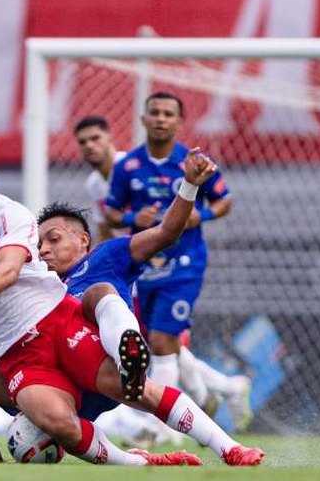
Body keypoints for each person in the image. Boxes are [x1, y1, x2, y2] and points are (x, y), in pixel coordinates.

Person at [0, 139, 263, 466]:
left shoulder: (19, 219)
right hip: (19, 354)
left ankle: (223, 443)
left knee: (102, 305)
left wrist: (188, 187)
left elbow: (10, 268)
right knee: (31, 405)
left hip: (63, 330)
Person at [104, 92, 251, 438]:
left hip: (185, 264)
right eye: (154, 112)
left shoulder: (194, 162)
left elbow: (225, 200)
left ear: (179, 122)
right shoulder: (128, 167)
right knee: (161, 343)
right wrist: (130, 216)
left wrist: (202, 215)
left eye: (168, 114)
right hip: (145, 268)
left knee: (162, 338)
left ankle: (161, 427)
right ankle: (216, 393)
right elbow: (110, 211)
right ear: (143, 119)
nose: (160, 118)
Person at [74, 116, 126, 243]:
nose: (89, 145)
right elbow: (105, 232)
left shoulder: (130, 166)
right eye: (82, 142)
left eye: (95, 138)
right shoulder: (93, 183)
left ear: (109, 137)